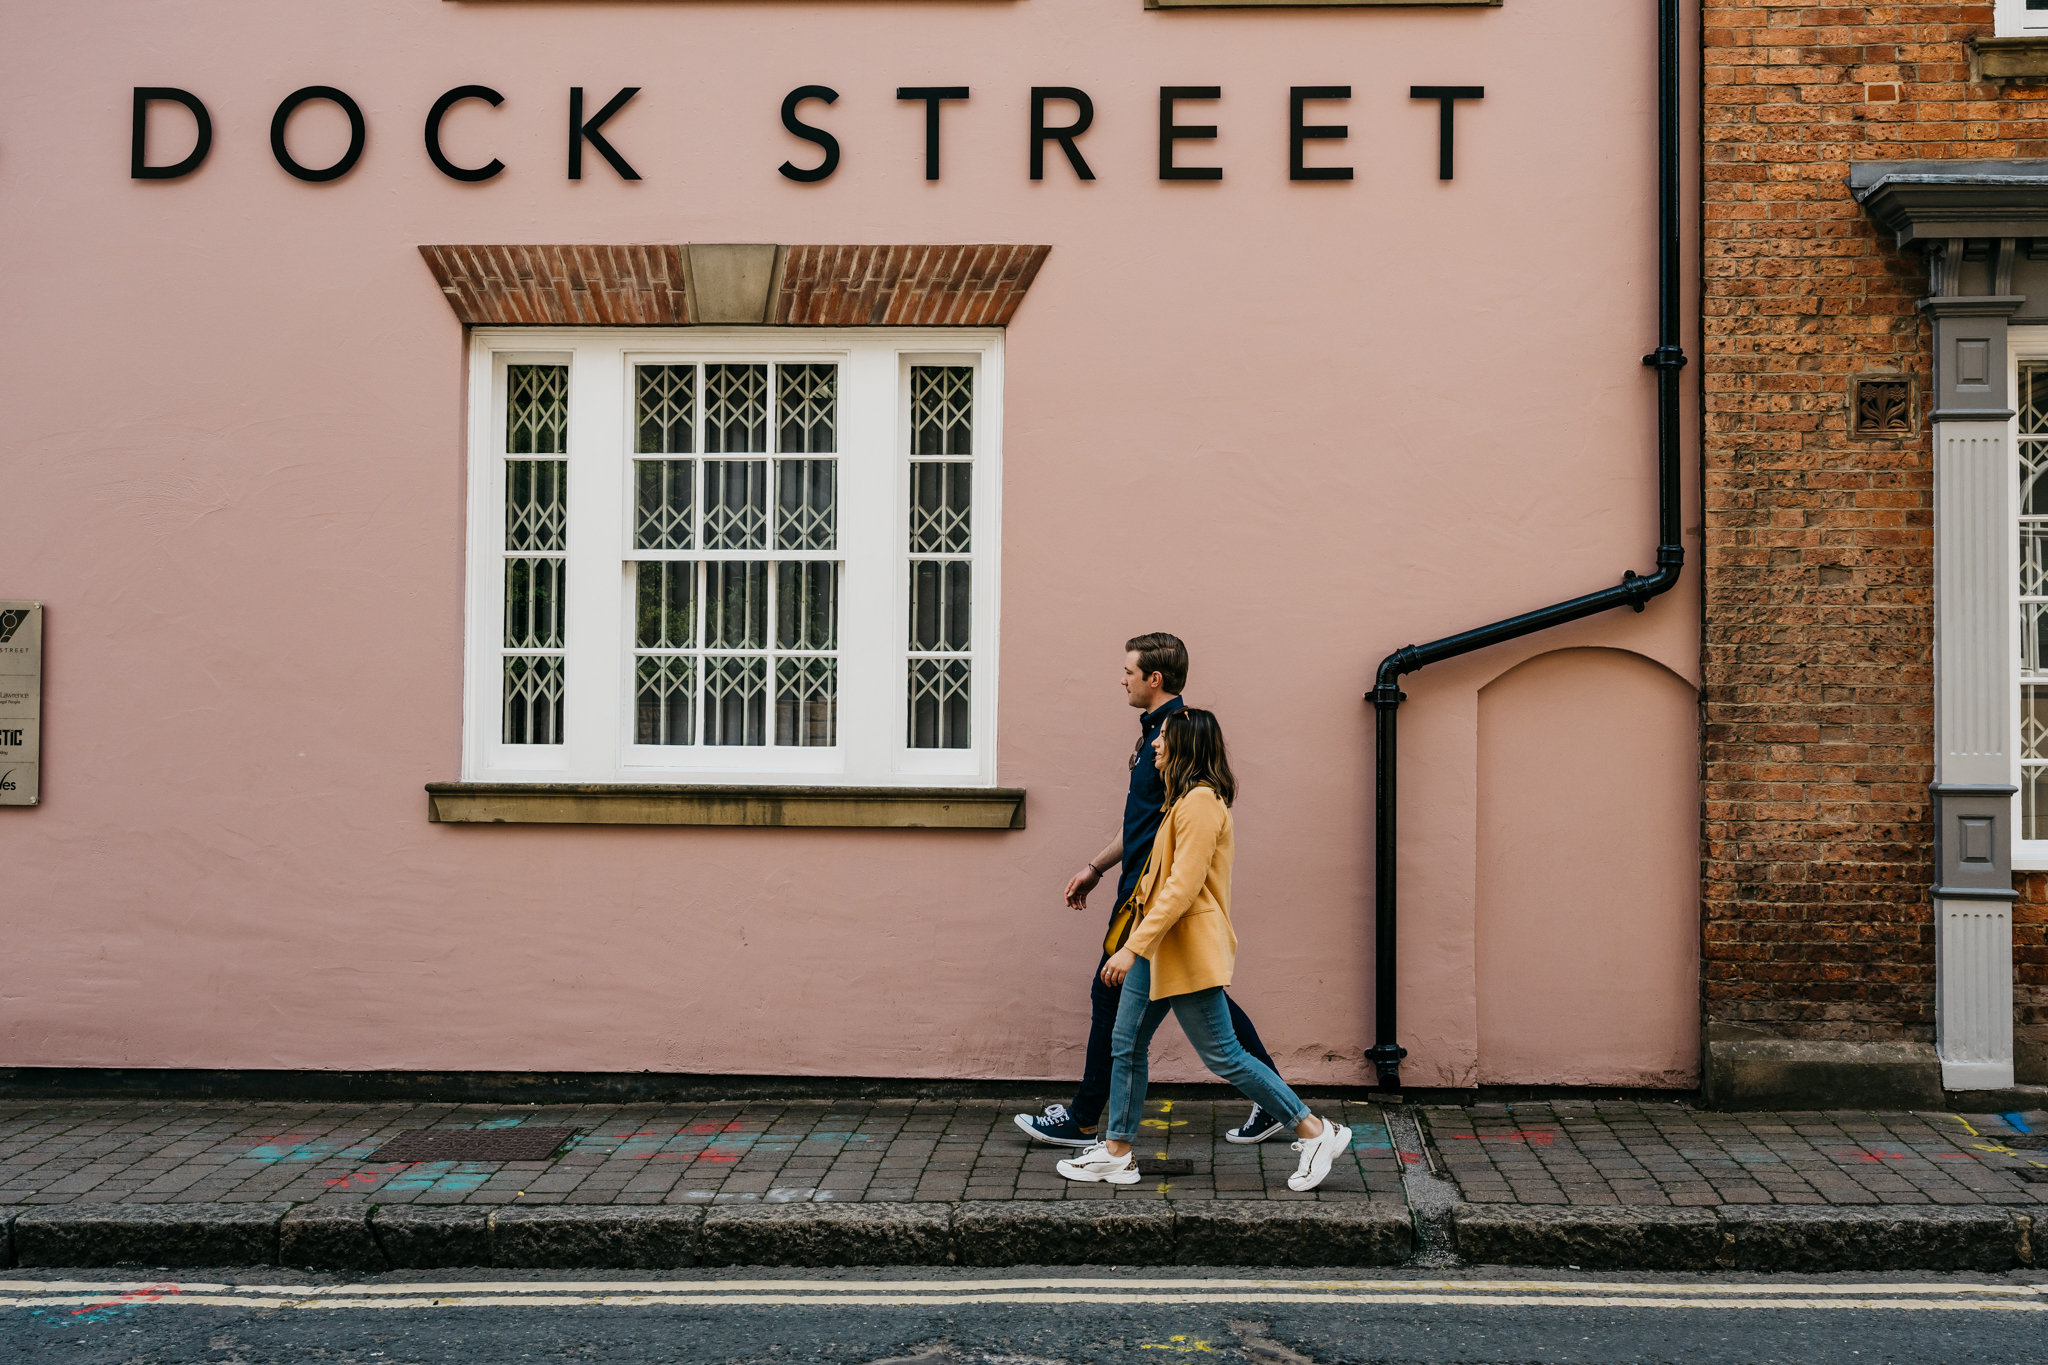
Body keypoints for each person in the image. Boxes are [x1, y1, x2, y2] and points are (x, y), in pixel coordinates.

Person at [1013, 633, 1294, 1149]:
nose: (1122, 679)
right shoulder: (1153, 736)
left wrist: (1139, 911)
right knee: (1200, 1005)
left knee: (1128, 999)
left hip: (1153, 895)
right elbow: (1144, 821)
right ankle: (1275, 1105)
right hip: (1139, 888)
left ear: (1154, 678)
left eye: (1128, 671)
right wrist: (1096, 867)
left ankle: (1087, 1121)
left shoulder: (1175, 737)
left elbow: (1178, 829)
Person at [1054, 708, 1352, 1191]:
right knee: (1126, 1044)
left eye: (1165, 739)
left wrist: (1132, 947)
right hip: (1159, 945)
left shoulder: (1200, 804)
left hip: (1183, 946)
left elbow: (1181, 887)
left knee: (1225, 1056)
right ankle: (1116, 1152)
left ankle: (1314, 1131)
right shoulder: (1182, 800)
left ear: (1188, 746)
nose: (1155, 745)